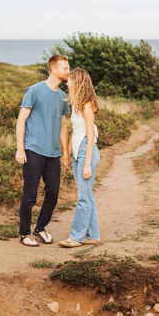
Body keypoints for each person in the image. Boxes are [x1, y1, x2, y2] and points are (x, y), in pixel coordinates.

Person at [16, 55, 71, 247]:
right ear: (54, 69)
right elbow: (21, 120)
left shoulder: (62, 95)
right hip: (33, 150)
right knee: (30, 193)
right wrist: (20, 149)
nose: (68, 71)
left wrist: (65, 152)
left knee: (53, 192)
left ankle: (40, 228)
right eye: (65, 68)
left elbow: (63, 125)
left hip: (53, 153)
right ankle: (24, 233)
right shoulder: (35, 90)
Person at [57, 68, 101, 248]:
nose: (67, 82)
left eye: (70, 80)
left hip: (86, 150)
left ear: (78, 81)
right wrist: (67, 154)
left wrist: (87, 163)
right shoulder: (75, 104)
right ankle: (94, 235)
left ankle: (76, 237)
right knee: (87, 196)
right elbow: (75, 131)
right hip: (77, 151)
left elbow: (90, 135)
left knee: (83, 198)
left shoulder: (87, 105)